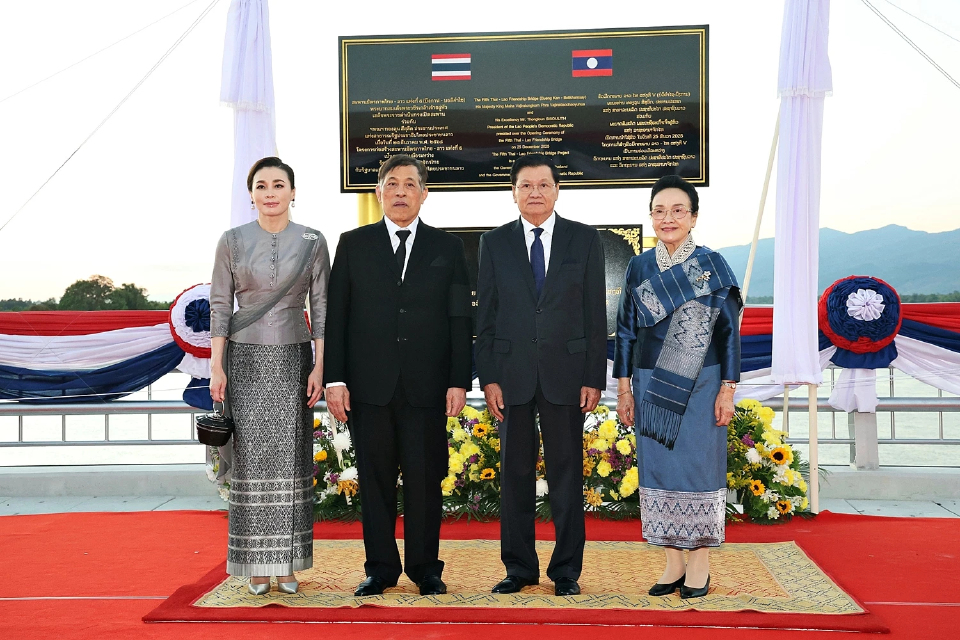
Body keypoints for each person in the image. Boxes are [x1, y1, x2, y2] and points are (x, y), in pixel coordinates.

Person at [324, 154, 473, 597]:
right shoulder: (353, 244)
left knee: (426, 479)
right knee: (374, 480)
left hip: (427, 387)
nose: (402, 191)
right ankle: (380, 568)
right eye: (393, 183)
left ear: (424, 193)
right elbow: (339, 318)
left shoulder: (447, 249)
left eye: (411, 184)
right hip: (369, 387)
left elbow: (459, 319)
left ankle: (426, 568)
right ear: (379, 193)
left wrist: (458, 380)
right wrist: (335, 379)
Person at [475, 154, 607, 597]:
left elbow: (594, 313)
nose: (535, 192)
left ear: (556, 190)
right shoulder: (493, 243)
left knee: (567, 472)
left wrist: (594, 376)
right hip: (511, 376)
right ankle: (519, 567)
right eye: (526, 185)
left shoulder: (584, 240)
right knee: (513, 473)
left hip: (567, 375)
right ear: (513, 192)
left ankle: (566, 570)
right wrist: (488, 376)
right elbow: (486, 315)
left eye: (543, 184)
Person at [613, 174, 741, 599]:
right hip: (651, 384)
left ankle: (700, 565)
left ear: (694, 217)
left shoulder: (712, 265)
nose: (667, 218)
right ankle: (671, 564)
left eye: (677, 210)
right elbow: (627, 331)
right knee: (659, 468)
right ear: (651, 217)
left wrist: (728, 388)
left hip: (702, 382)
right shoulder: (639, 266)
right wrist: (625, 388)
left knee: (700, 468)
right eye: (659, 211)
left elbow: (728, 334)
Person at [209, 157, 330, 596]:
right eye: (262, 185)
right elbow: (220, 306)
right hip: (244, 360)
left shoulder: (314, 241)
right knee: (252, 461)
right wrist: (216, 365)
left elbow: (321, 308)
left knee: (291, 461)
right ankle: (256, 566)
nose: (271, 192)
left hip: (295, 360)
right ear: (252, 194)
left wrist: (320, 364)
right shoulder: (231, 242)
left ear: (293, 192)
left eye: (279, 184)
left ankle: (287, 565)